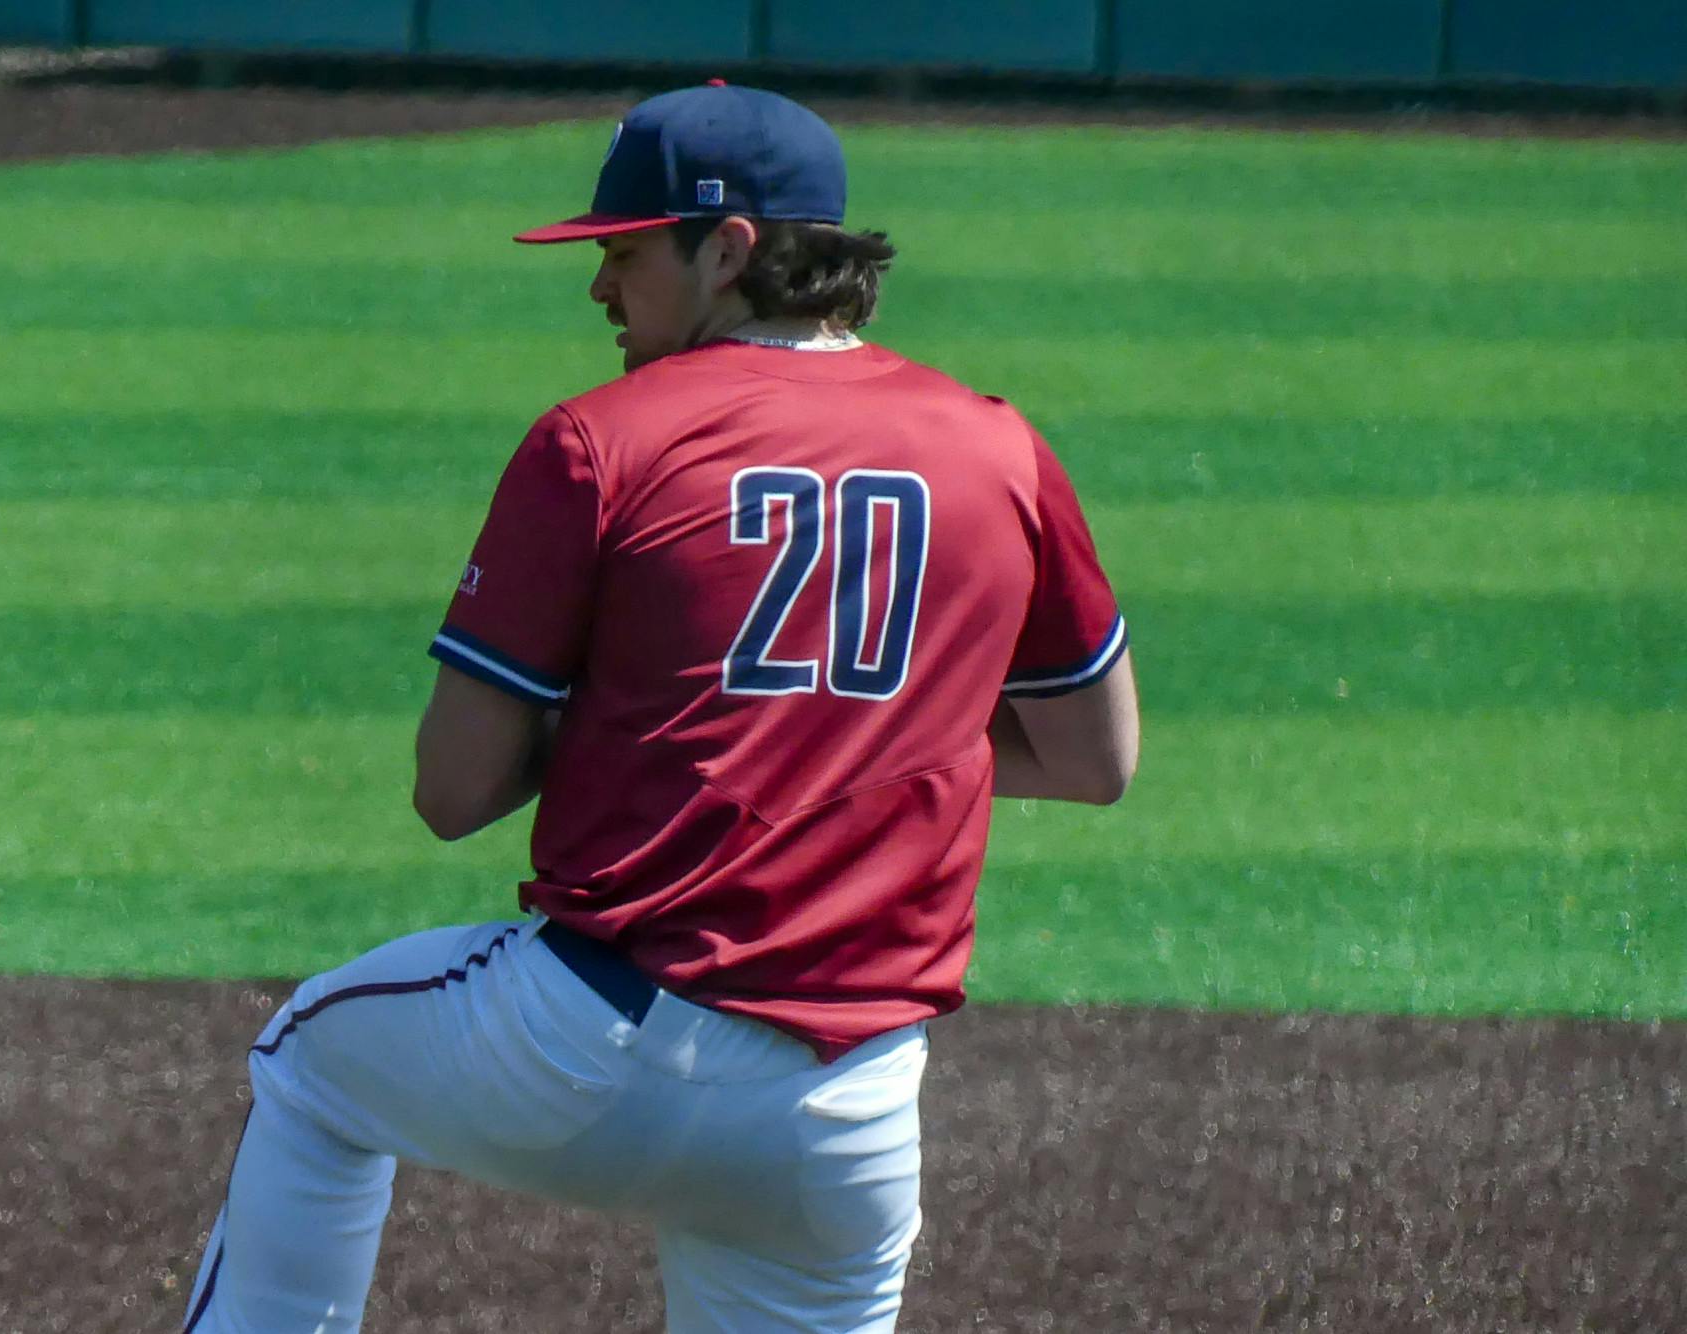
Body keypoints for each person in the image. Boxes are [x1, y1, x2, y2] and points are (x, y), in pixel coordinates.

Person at [180, 80, 1139, 1334]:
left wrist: (648, 727)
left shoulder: (601, 441)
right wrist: (855, 740)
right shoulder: (998, 446)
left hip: (592, 1046)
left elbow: (451, 790)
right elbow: (1095, 754)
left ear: (727, 250)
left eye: (623, 253)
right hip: (847, 1121)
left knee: (310, 1061)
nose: (598, 288)